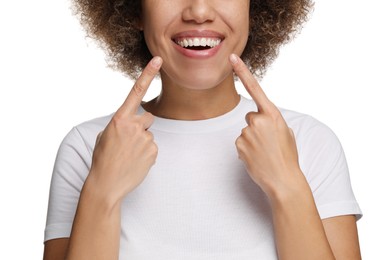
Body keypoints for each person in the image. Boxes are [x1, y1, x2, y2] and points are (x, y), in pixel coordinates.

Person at [43, 0, 363, 259]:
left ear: (256, 7)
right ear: (136, 9)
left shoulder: (309, 141)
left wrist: (289, 188)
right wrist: (101, 192)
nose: (198, 11)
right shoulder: (88, 146)